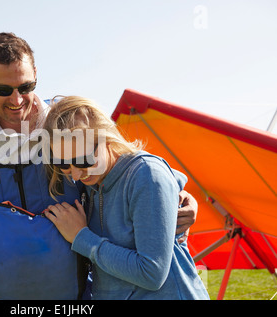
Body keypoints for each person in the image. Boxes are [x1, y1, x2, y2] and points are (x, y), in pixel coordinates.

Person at [0, 32, 199, 300]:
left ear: (36, 73)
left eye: (26, 87)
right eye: (3, 90)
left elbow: (125, 161)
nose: (16, 100)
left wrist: (179, 192)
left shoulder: (70, 122)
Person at [42, 96, 209, 300]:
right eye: (63, 164)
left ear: (107, 138)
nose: (76, 175)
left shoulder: (146, 176)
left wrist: (81, 237)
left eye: (84, 160)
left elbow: (151, 273)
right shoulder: (90, 182)